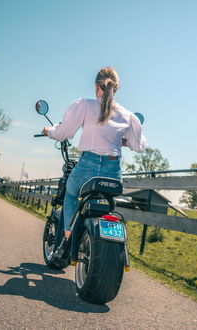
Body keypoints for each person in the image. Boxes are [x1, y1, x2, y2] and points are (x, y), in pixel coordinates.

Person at [42, 67, 147, 239]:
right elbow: (139, 146)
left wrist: (48, 131)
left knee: (71, 192)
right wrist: (122, 141)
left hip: (86, 167)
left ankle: (67, 234)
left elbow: (63, 133)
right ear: (116, 89)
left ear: (97, 87)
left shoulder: (84, 105)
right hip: (113, 173)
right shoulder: (127, 116)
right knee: (100, 195)